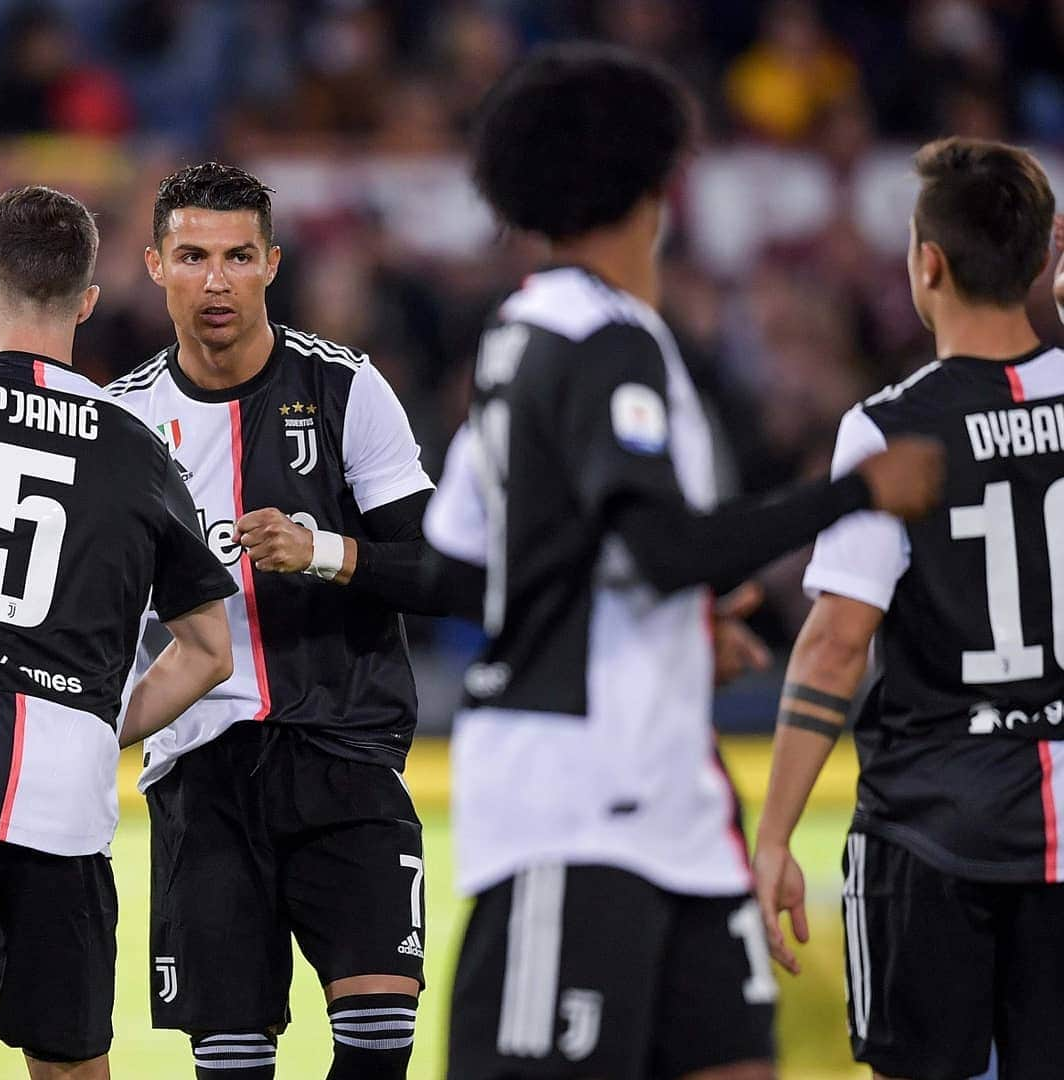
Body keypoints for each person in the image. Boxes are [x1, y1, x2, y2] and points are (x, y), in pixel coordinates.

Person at [422, 44, 943, 1080]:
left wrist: (663, 630)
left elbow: (459, 566)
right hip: (577, 802)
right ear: (659, 181)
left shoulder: (521, 338)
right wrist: (857, 490)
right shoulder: (605, 341)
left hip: (671, 807)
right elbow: (661, 550)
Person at [107, 162, 446, 1080]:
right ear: (154, 266)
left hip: (346, 752)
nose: (215, 280)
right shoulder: (122, 423)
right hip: (202, 772)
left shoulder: (346, 389)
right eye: (192, 257)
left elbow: (444, 573)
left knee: (379, 1051)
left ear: (271, 264)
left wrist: (325, 551)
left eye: (237, 256)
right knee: (233, 1065)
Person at [752, 137, 1062, 1080]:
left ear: (926, 263)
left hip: (934, 821)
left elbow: (837, 646)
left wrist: (773, 836)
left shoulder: (890, 429)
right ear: (1047, 256)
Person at [0, 186, 235, 1079]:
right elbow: (209, 652)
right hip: (60, 799)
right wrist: (97, 720)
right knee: (70, 1065)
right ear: (87, 303)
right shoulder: (139, 445)